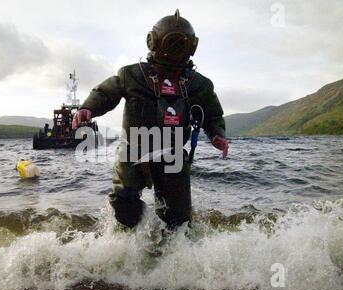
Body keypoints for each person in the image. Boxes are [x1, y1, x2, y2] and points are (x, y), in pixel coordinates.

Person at [73, 10, 228, 230]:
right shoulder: (132, 75)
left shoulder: (198, 84)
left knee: (178, 221)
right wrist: (88, 108)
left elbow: (212, 114)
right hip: (133, 150)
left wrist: (217, 134)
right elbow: (107, 92)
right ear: (154, 42)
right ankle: (138, 238)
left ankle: (171, 252)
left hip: (172, 153)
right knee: (124, 204)